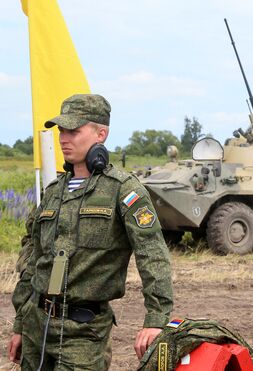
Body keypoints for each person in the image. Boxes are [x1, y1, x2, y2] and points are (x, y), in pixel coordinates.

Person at [7, 94, 173, 370]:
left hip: (83, 335)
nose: (63, 138)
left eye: (74, 130)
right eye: (61, 130)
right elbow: (33, 260)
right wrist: (20, 324)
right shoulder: (53, 193)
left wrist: (156, 319)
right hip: (37, 328)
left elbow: (152, 255)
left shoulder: (123, 190)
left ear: (101, 134)